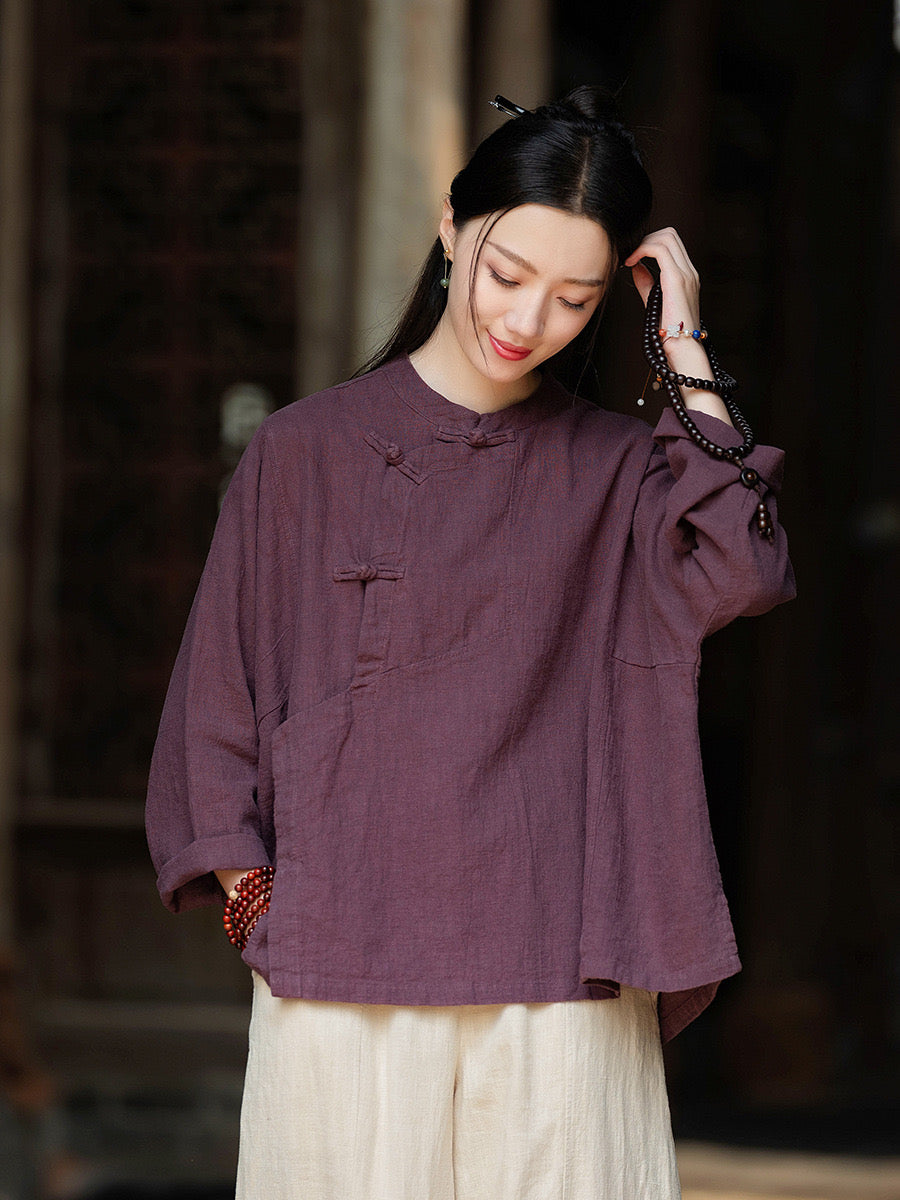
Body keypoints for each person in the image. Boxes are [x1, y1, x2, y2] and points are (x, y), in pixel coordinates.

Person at [145, 86, 795, 1199]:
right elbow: (216, 708)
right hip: (339, 966)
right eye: (507, 273)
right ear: (451, 232)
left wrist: (683, 344)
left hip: (561, 972)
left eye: (574, 298)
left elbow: (746, 567)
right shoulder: (303, 452)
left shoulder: (620, 471)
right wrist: (262, 906)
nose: (528, 320)